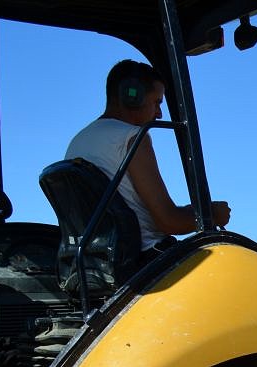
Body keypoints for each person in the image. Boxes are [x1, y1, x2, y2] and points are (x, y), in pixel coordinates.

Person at [65, 60, 231, 260]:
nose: (159, 114)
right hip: (147, 257)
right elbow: (169, 221)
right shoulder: (131, 137)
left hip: (103, 261)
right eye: (157, 102)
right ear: (131, 95)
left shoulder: (79, 141)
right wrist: (213, 214)